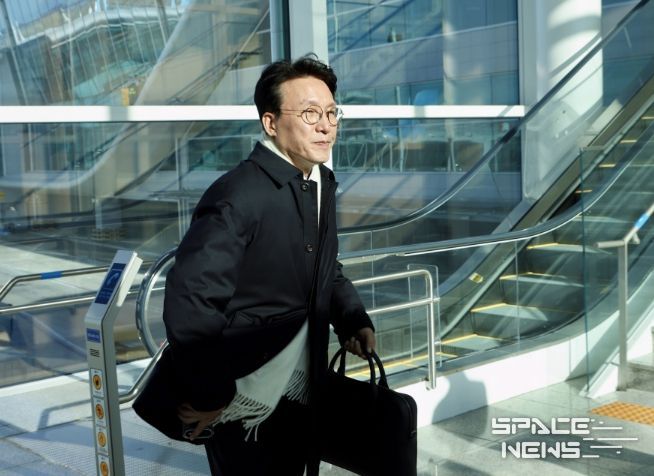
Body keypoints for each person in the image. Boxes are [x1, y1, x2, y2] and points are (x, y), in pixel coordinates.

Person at [162, 54, 376, 476]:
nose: (325, 125)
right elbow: (190, 303)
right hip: (242, 397)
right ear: (271, 122)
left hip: (301, 384)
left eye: (331, 113)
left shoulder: (319, 182)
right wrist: (212, 396)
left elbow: (325, 268)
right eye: (310, 113)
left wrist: (352, 319)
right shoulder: (237, 195)